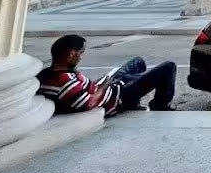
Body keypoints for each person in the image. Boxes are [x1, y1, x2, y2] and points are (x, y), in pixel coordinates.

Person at [36, 34, 177, 116]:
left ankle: (135, 102)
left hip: (111, 86)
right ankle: (160, 106)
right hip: (119, 96)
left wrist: (103, 83)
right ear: (72, 53)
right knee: (168, 67)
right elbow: (88, 104)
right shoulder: (65, 80)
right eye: (81, 52)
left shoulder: (49, 74)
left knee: (138, 62)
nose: (81, 57)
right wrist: (104, 87)